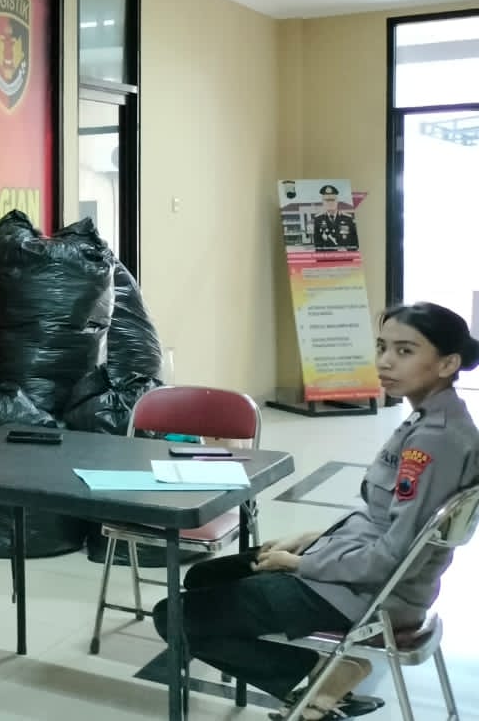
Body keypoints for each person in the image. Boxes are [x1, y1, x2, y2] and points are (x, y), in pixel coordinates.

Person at [153, 302, 479, 720]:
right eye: (382, 347)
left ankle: (320, 677)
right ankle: (321, 681)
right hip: (354, 569)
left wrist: (302, 564)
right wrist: (311, 541)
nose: (385, 361)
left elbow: (393, 557)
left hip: (364, 595)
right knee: (203, 577)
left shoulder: (435, 442)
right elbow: (380, 519)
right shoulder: (434, 419)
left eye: (405, 351)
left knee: (174, 616)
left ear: (447, 363)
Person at [311, 183, 359, 251]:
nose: (330, 203)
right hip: (327, 257)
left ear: (337, 201)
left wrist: (347, 251)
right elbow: (317, 246)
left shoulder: (347, 218)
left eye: (332, 200)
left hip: (345, 256)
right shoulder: (318, 219)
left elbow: (355, 243)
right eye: (327, 200)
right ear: (323, 202)